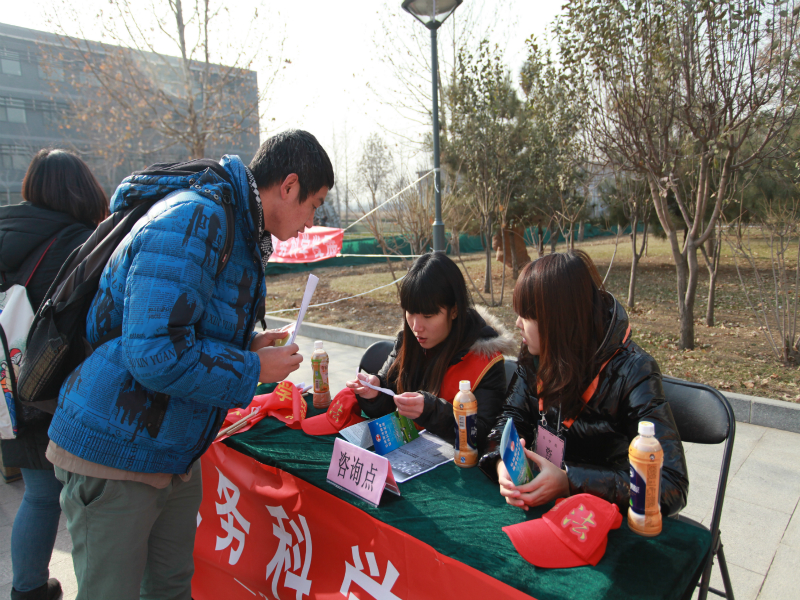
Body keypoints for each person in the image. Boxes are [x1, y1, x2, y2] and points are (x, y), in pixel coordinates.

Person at [45, 130, 334, 600]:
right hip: (115, 448)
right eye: (314, 204)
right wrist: (252, 369)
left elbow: (184, 324)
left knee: (172, 588)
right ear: (289, 185)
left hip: (171, 448)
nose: (311, 221)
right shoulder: (195, 219)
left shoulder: (238, 227)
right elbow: (154, 352)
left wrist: (250, 345)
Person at [479, 250, 688, 515]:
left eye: (527, 316)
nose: (518, 323)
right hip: (551, 510)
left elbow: (670, 485)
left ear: (559, 320)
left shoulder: (634, 372)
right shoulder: (536, 355)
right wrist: (502, 462)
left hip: (612, 518)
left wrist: (570, 481)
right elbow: (510, 418)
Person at [0, 149, 108, 600]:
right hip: (51, 388)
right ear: (81, 190)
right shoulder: (78, 242)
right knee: (78, 497)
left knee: (38, 493)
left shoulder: (8, 232)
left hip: (7, 384)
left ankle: (27, 589)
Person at [346, 252, 515, 451]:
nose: (416, 327)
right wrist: (374, 392)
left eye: (428, 316)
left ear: (454, 310)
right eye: (410, 312)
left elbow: (483, 435)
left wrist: (432, 411)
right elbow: (388, 398)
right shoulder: (407, 341)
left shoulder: (485, 360)